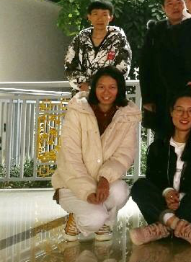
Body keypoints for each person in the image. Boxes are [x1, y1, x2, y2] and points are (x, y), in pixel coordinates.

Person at [52, 67, 141, 242]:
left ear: (120, 89)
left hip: (102, 182)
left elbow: (124, 154)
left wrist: (105, 179)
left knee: (121, 191)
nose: (106, 92)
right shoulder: (78, 110)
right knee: (93, 219)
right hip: (72, 183)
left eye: (112, 87)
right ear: (94, 88)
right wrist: (87, 190)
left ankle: (102, 222)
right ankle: (79, 219)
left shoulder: (127, 115)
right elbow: (70, 157)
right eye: (101, 87)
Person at [130, 91, 191, 248]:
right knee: (139, 186)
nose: (185, 115)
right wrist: (167, 192)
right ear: (171, 112)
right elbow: (153, 179)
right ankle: (177, 225)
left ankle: (164, 227)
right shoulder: (158, 147)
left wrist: (179, 198)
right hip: (164, 206)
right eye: (179, 109)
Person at [140, 0, 187, 138]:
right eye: (170, 3)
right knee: (162, 138)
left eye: (179, 2)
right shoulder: (155, 31)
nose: (175, 7)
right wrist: (147, 98)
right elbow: (145, 65)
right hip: (161, 93)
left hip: (187, 93)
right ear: (163, 8)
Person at [64, 0, 132, 93]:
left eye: (104, 14)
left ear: (111, 17)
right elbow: (69, 64)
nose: (100, 18)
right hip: (82, 92)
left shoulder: (118, 38)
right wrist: (83, 84)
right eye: (95, 14)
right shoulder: (80, 38)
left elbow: (124, 66)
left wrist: (101, 86)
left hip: (109, 92)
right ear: (89, 16)